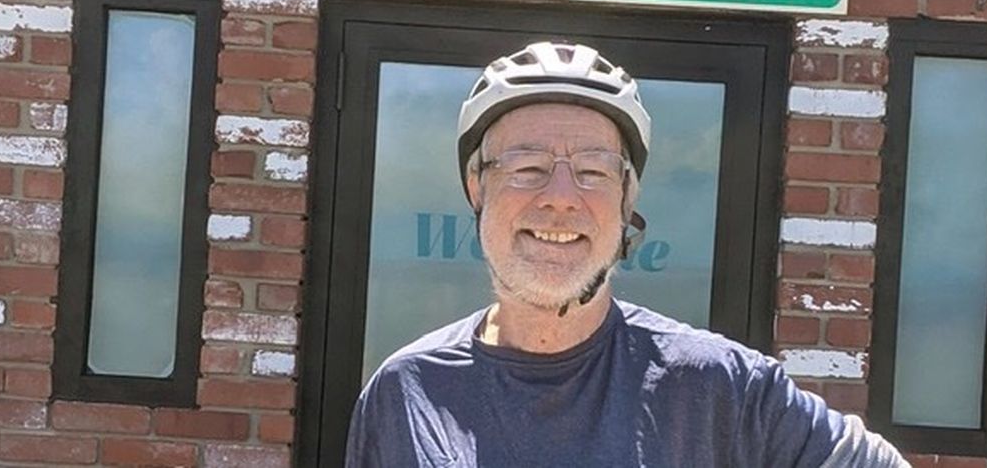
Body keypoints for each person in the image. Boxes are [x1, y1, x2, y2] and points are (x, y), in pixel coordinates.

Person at [346, 41, 909, 467]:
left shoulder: (719, 389)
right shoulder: (407, 393)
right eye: (527, 167)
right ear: (477, 187)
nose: (561, 197)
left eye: (593, 171)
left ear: (626, 200)